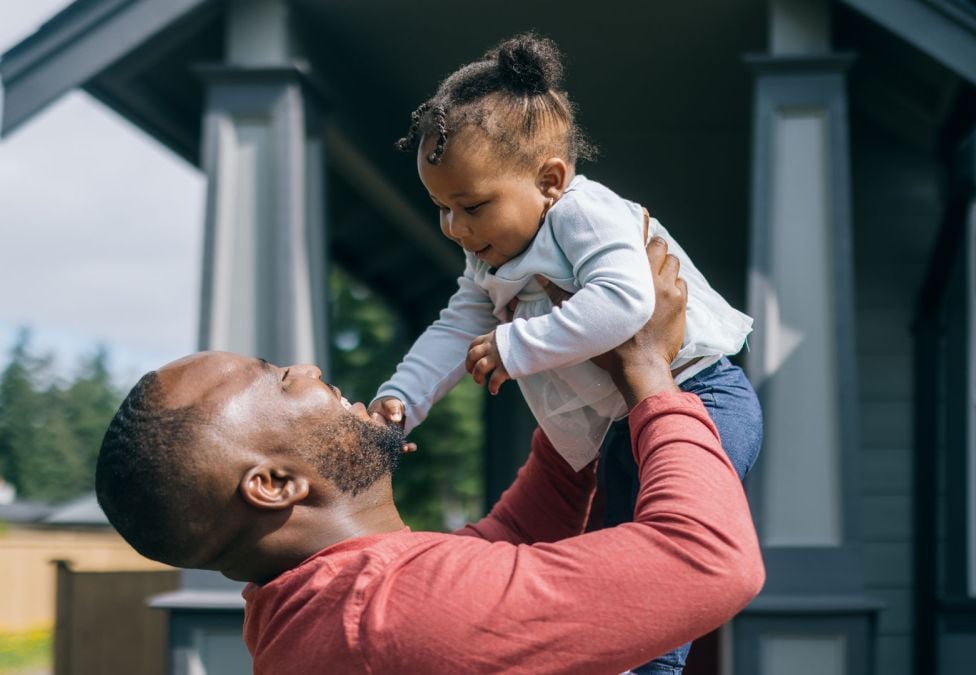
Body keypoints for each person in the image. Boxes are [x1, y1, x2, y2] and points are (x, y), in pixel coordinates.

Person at [95, 238, 764, 674]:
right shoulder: (388, 619)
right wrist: (648, 367)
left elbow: (514, 540)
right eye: (275, 377)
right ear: (272, 483)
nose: (305, 366)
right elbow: (709, 560)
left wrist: (578, 370)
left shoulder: (326, 612)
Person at [370, 33, 762, 672]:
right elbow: (453, 328)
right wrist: (401, 398)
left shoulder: (584, 213)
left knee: (656, 571)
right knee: (624, 559)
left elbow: (626, 301)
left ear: (550, 179)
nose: (456, 230)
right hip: (625, 422)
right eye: (442, 210)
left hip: (699, 394)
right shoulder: (491, 255)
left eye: (472, 206)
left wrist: (516, 342)